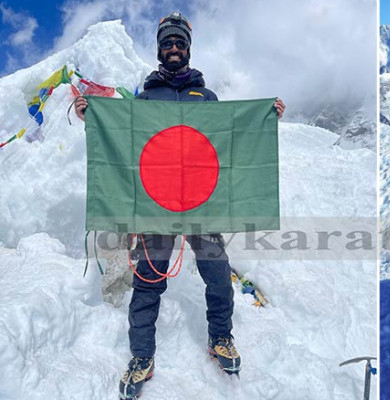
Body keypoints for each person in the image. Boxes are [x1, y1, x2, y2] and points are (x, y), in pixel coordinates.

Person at [75, 11, 286, 399]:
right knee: (148, 282)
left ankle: (220, 338)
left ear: (188, 50)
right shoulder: (144, 97)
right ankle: (142, 357)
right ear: (160, 49)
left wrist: (263, 119)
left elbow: (230, 142)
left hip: (201, 207)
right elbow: (125, 137)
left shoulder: (205, 97)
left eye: (180, 43)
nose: (174, 48)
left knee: (218, 275)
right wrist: (95, 118)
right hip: (156, 208)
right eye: (168, 43)